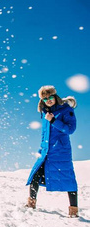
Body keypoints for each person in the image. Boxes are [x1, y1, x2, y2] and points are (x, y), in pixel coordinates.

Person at [26, 85, 79, 217]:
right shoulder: (44, 113)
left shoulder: (66, 110)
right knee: (35, 175)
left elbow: (70, 129)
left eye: (50, 97)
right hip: (46, 152)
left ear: (55, 96)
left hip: (61, 151)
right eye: (45, 99)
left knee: (68, 180)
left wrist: (54, 120)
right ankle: (31, 204)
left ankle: (73, 211)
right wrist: (41, 149)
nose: (48, 100)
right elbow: (45, 135)